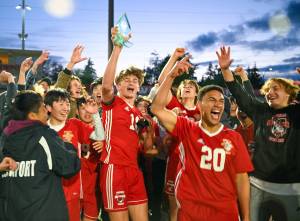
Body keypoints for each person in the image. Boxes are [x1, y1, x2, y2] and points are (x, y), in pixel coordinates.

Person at [151, 56, 253, 221]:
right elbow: (156, 108)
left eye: (221, 101)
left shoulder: (234, 137)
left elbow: (241, 179)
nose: (218, 104)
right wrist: (171, 75)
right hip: (191, 211)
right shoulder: (186, 128)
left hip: (225, 212)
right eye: (212, 100)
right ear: (199, 105)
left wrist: (246, 217)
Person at [217, 46, 300, 221]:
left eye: (276, 89)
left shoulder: (297, 113)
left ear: (289, 93)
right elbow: (239, 93)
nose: (270, 94)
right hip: (257, 184)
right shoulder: (261, 110)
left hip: (291, 187)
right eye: (268, 90)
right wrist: (225, 70)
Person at [0, 90, 81, 221]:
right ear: (32, 115)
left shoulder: (4, 139)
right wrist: (68, 146)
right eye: (43, 107)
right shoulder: (44, 136)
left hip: (11, 214)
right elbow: (69, 166)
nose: (46, 110)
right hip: (44, 213)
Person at [100, 26, 152, 221]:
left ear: (139, 87)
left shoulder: (140, 114)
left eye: (135, 80)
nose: (131, 82)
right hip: (114, 168)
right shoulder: (113, 103)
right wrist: (117, 49)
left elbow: (146, 148)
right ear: (118, 84)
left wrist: (146, 135)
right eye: (126, 79)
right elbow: (105, 86)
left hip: (134, 170)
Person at [44, 88, 103, 221]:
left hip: (71, 190)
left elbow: (99, 136)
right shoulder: (41, 129)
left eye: (67, 104)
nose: (65, 108)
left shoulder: (75, 124)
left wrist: (95, 115)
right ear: (48, 107)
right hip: (48, 191)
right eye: (61, 104)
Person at [157, 48, 200, 221]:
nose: (188, 88)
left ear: (197, 93)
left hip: (197, 163)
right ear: (179, 93)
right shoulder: (174, 106)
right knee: (174, 209)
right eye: (184, 87)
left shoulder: (203, 110)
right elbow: (162, 82)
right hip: (176, 161)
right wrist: (174, 58)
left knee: (196, 207)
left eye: (191, 86)